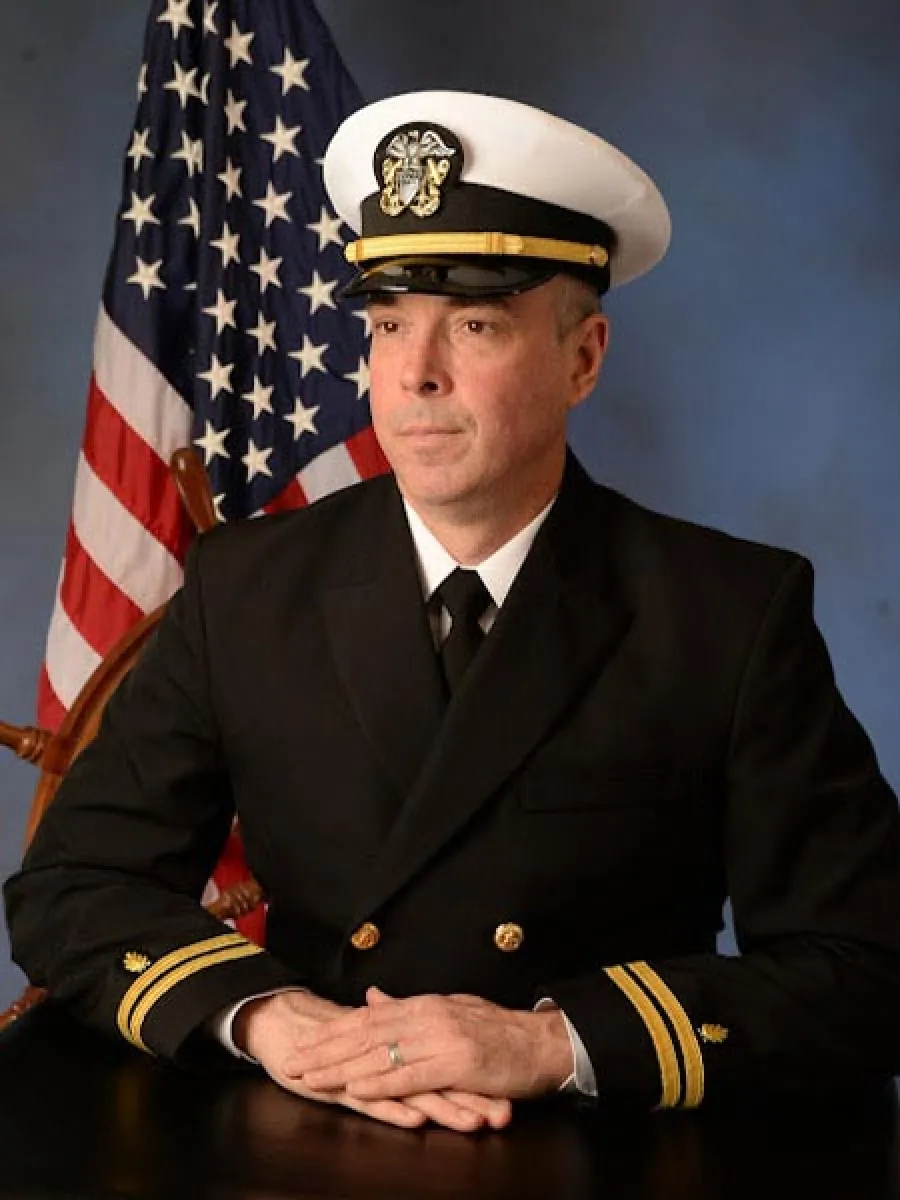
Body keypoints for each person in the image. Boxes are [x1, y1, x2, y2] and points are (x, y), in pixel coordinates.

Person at [5, 90, 900, 1134]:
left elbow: (868, 964)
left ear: (583, 359)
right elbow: (75, 884)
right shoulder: (248, 586)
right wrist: (261, 1018)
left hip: (587, 1143)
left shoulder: (727, 613)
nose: (415, 375)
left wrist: (549, 1041)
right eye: (388, 325)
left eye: (474, 324)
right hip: (306, 1118)